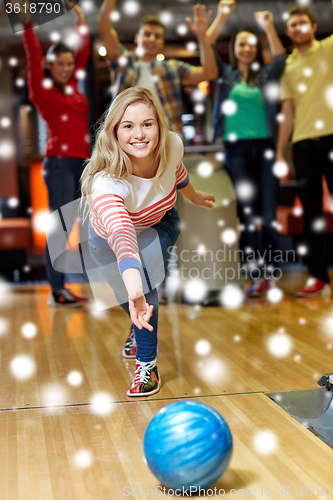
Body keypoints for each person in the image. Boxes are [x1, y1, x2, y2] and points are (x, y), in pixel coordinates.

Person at [81, 87, 215, 396]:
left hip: (160, 224)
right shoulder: (107, 183)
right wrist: (133, 293)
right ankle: (135, 319)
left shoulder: (171, 144)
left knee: (144, 284)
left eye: (147, 124)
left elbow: (174, 169)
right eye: (128, 126)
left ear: (159, 125)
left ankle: (147, 364)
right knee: (127, 292)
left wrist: (194, 195)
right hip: (107, 243)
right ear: (115, 131)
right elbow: (123, 238)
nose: (139, 135)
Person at [207, 0, 286, 297]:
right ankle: (254, 275)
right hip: (236, 151)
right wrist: (222, 16)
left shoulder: (265, 77)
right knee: (249, 215)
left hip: (265, 149)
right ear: (234, 47)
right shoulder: (226, 76)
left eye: (251, 44)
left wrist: (268, 27)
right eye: (241, 43)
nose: (246, 48)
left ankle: (271, 275)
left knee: (268, 215)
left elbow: (280, 59)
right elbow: (208, 43)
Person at [19, 0, 91, 307]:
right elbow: (33, 55)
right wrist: (25, 23)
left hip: (82, 164)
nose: (66, 68)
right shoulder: (42, 90)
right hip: (60, 165)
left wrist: (80, 18)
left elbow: (84, 52)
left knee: (82, 225)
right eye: (60, 64)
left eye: (69, 63)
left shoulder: (74, 87)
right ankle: (57, 290)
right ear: (50, 66)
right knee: (60, 228)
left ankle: (76, 285)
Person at [276, 4, 333, 298]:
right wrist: (278, 153)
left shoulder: (328, 48)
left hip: (331, 138)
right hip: (301, 145)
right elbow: (287, 111)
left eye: (303, 23)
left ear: (313, 26)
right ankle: (318, 277)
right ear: (288, 32)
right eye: (293, 24)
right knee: (311, 213)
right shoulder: (288, 65)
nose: (298, 28)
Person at [98, 1, 218, 138]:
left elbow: (209, 73)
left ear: (162, 43)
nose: (152, 39)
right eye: (147, 34)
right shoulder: (123, 63)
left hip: (167, 139)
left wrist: (202, 37)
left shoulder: (172, 68)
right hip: (127, 138)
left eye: (157, 36)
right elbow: (105, 29)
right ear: (137, 38)